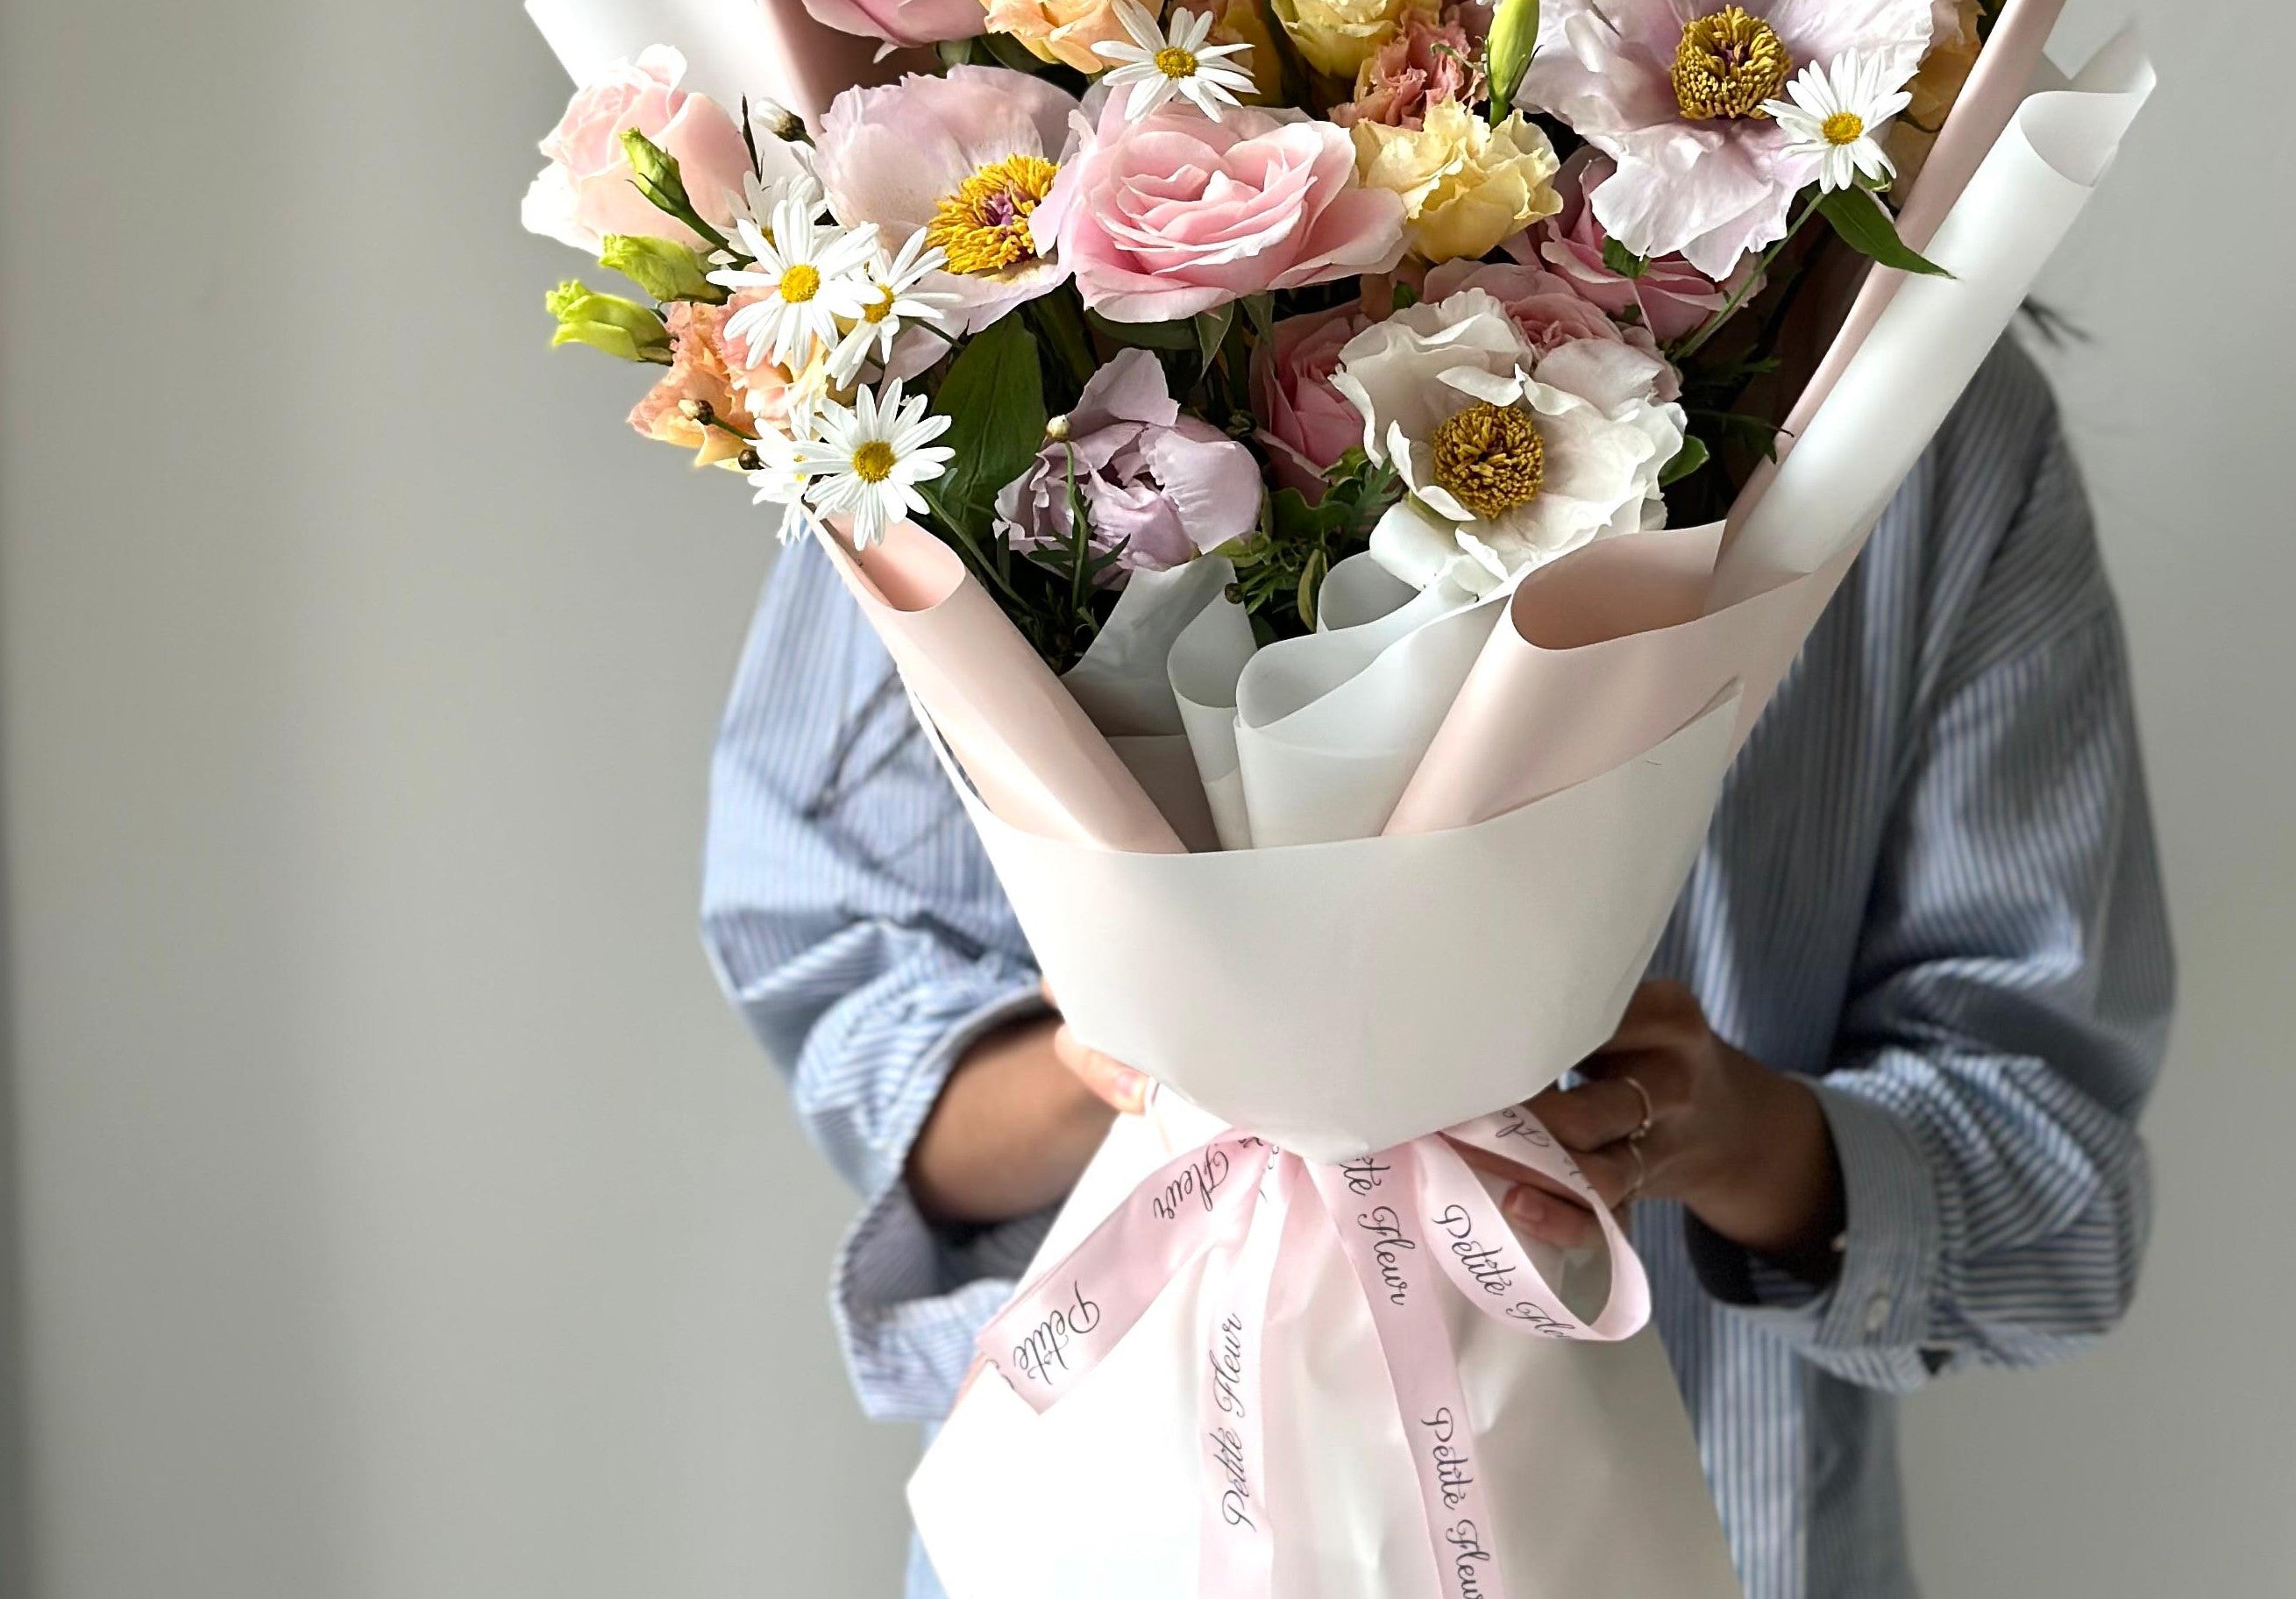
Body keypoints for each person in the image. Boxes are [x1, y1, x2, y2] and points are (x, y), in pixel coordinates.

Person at [702, 338, 2175, 1599]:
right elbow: (832, 954)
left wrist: (1739, 1141)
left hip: (1716, 1516)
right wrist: (1120, 1058)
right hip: (1116, 1523)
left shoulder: (1923, 407)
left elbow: (2060, 1193)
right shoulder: (986, 373)